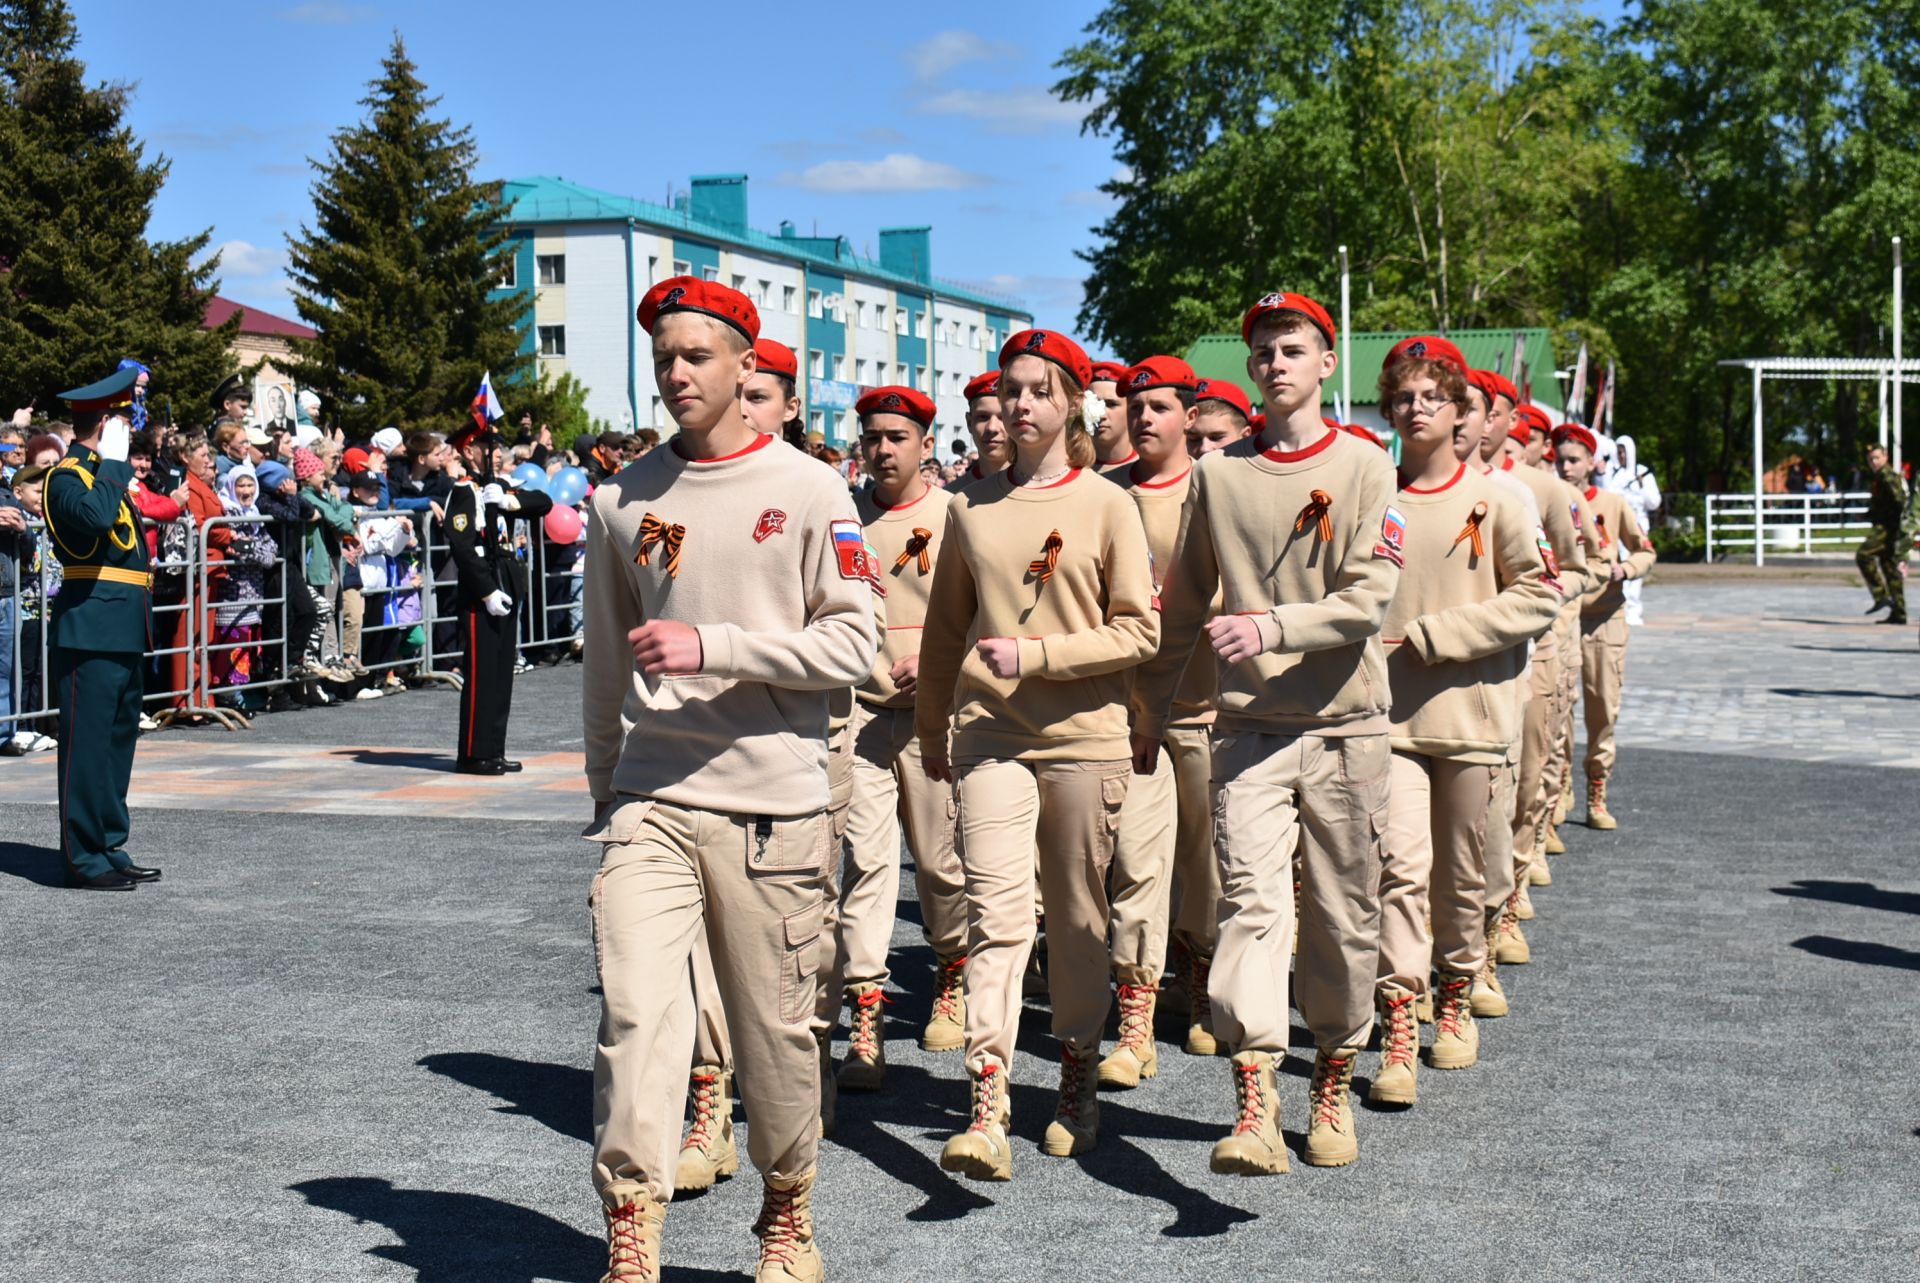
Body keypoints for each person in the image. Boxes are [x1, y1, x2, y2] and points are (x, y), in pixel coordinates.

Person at [580, 276, 875, 1282]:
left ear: (748, 366)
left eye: (696, 355)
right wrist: (603, 788)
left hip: (774, 804)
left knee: (778, 1038)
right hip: (653, 799)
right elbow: (607, 664)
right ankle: (633, 1222)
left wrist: (714, 644)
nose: (676, 374)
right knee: (635, 1014)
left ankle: (786, 1210)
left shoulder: (812, 491)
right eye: (664, 356)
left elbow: (855, 643)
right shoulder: (621, 498)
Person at [1133, 291, 1396, 1173]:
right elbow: (1181, 608)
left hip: (1344, 729)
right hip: (1246, 732)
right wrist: (1150, 709)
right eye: (1264, 352)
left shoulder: (1367, 467)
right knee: (1250, 907)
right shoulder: (1218, 475)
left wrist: (1273, 626)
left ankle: (1332, 1070)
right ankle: (1254, 1097)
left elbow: (1369, 598)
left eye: (1293, 349)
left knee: (1341, 915)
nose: (1275, 363)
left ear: (1328, 364)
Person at [917, 328, 1157, 1180]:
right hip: (990, 738)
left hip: (1084, 740)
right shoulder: (968, 506)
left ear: (1071, 403)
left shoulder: (1107, 503)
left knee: (1081, 917)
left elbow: (1140, 628)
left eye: (1037, 390)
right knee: (998, 914)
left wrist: (1040, 655)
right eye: (1009, 390)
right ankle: (988, 1095)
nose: (1019, 405)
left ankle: (1078, 1067)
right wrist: (930, 725)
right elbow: (947, 632)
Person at [1369, 338, 1556, 1111]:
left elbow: (1539, 597)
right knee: (1400, 872)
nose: (1417, 409)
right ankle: (1401, 1022)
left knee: (1463, 874)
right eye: (1405, 397)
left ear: (1460, 412)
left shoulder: (1501, 497)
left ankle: (1457, 983)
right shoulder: (1371, 493)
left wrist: (1435, 636)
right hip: (1386, 722)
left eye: (1432, 397)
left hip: (1473, 719)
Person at [830, 385, 969, 1092]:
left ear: (923, 443)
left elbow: (987, 609)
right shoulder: (841, 515)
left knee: (942, 866)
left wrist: (947, 663)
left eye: (896, 436)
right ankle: (866, 1010)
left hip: (934, 715)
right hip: (858, 715)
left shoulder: (954, 515)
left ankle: (953, 967)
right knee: (868, 864)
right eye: (872, 436)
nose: (881, 449)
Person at [1096, 354, 1198, 1090]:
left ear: (1188, 415)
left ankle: (1201, 969)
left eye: (1159, 405)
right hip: (1126, 713)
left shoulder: (1215, 490)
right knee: (1135, 858)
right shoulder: (1103, 495)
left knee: (1212, 868)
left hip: (1210, 706)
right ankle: (1136, 1015)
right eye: (1136, 405)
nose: (1144, 417)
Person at [41, 367, 160, 889]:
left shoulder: (101, 474)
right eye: (123, 419)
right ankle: (82, 856)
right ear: (107, 421)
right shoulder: (66, 477)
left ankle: (109, 843)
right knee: (85, 748)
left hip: (122, 622)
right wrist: (112, 460)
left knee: (116, 742)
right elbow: (92, 521)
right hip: (90, 625)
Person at [1556, 423, 1657, 829]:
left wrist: (1626, 569)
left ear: (1592, 463)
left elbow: (1645, 550)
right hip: (1562, 617)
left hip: (1605, 618)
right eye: (1559, 460)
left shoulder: (1612, 503)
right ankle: (1558, 784)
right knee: (1558, 709)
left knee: (1602, 708)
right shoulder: (1548, 501)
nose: (1565, 468)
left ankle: (1597, 787)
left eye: (1573, 460)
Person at [443, 420, 553, 775]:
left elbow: (543, 502)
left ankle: (495, 748)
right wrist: (488, 590)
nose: (495, 453)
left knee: (503, 672)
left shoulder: (497, 487)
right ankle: (474, 754)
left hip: (507, 575)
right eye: (486, 447)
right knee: (481, 674)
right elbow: (462, 547)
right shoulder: (462, 492)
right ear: (469, 452)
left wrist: (507, 500)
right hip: (482, 585)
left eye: (496, 447)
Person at [211, 463, 278, 707]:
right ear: (231, 486)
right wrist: (251, 550)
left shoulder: (255, 515)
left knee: (248, 646)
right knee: (232, 644)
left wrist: (251, 549)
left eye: (250, 484)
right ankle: (230, 696)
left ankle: (242, 693)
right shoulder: (228, 513)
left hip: (254, 594)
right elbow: (239, 550)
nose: (247, 490)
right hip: (232, 594)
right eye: (241, 485)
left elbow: (270, 552)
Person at [1608, 435, 1661, 626]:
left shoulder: (1643, 473)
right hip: (1617, 527)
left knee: (1636, 565)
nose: (1621, 455)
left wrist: (1640, 486)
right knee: (1620, 566)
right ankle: (1620, 606)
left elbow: (1654, 502)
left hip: (1638, 527)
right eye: (1619, 452)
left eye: (1624, 451)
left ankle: (1634, 608)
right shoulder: (1612, 473)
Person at [1857, 444, 1908, 625]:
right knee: (1889, 568)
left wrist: (1900, 527)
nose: (1874, 462)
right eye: (1871, 459)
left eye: (1877, 458)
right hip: (1887, 525)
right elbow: (1883, 504)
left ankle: (1880, 595)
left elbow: (1899, 501)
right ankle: (1899, 612)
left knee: (1863, 555)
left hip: (1889, 527)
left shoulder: (1887, 476)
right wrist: (1868, 515)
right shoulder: (1880, 477)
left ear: (1885, 457)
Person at [948, 371, 1011, 492]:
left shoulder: (1039, 489)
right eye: (983, 417)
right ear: (969, 423)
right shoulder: (951, 496)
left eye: (1003, 417)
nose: (992, 428)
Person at [1086, 359, 1135, 472]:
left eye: (1111, 404)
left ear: (1131, 408)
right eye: (1094, 403)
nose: (1101, 414)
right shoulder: (1066, 467)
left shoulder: (1149, 469)